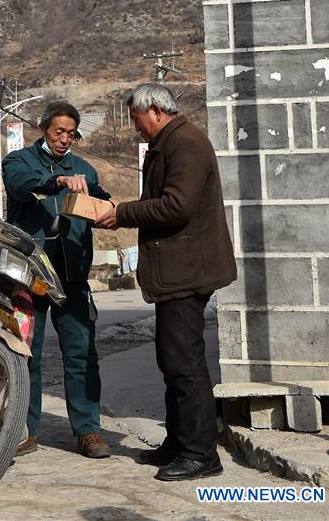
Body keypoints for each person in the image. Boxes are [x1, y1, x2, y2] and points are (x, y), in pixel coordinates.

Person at [95, 83, 236, 482]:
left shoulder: (186, 143)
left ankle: (200, 454)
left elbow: (177, 205)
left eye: (137, 119)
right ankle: (178, 443)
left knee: (186, 364)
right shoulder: (170, 144)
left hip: (187, 271)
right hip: (177, 271)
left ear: (155, 109)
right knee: (172, 361)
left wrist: (122, 213)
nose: (136, 128)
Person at [2, 100, 112, 459]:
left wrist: (106, 208)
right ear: (43, 130)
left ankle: (88, 430)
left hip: (73, 277)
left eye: (71, 133)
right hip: (29, 278)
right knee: (25, 354)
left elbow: (101, 201)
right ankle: (23, 428)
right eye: (58, 132)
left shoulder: (85, 170)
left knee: (81, 354)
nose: (65, 139)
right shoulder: (18, 162)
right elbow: (21, 186)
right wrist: (57, 181)